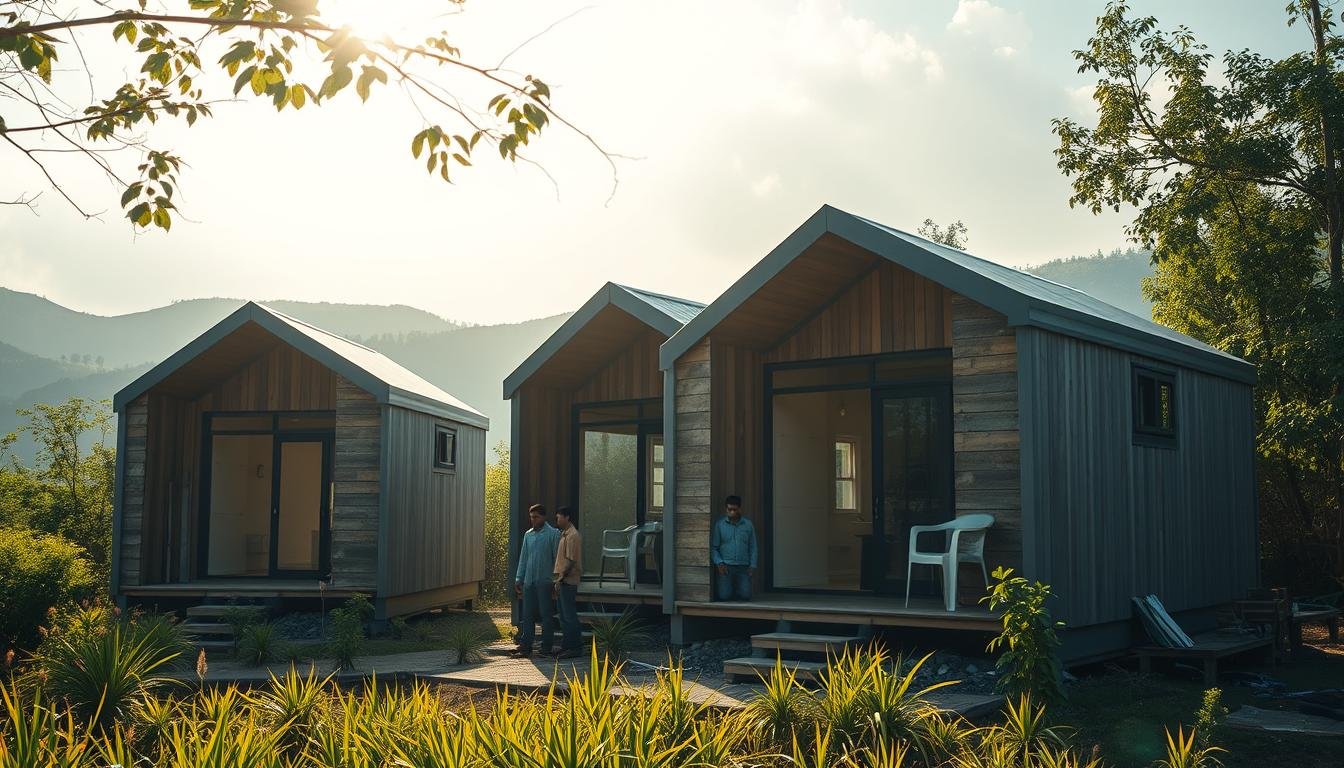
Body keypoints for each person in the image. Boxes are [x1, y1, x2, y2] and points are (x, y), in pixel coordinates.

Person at [513, 503, 560, 657]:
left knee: (546, 615)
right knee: (527, 614)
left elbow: (557, 559)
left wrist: (556, 581)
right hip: (529, 580)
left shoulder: (553, 534)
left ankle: (546, 647)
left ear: (544, 517)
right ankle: (525, 646)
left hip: (545, 581)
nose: (533, 520)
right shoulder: (528, 535)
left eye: (536, 517)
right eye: (531, 517)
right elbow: (523, 558)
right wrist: (519, 578)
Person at [550, 505, 583, 658]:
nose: (557, 520)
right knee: (563, 616)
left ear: (567, 517)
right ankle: (566, 645)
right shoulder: (564, 534)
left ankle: (575, 647)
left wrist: (561, 578)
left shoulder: (572, 535)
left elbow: (571, 561)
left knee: (569, 616)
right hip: (562, 580)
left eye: (559, 517)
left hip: (568, 581)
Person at [711, 494, 757, 601]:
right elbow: (714, 547)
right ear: (726, 509)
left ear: (739, 509)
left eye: (734, 510)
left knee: (746, 595)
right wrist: (719, 563)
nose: (732, 512)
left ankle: (738, 589)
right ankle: (730, 589)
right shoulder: (719, 525)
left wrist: (752, 565)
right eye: (729, 509)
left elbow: (753, 546)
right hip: (726, 566)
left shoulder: (748, 525)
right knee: (724, 596)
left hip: (743, 566)